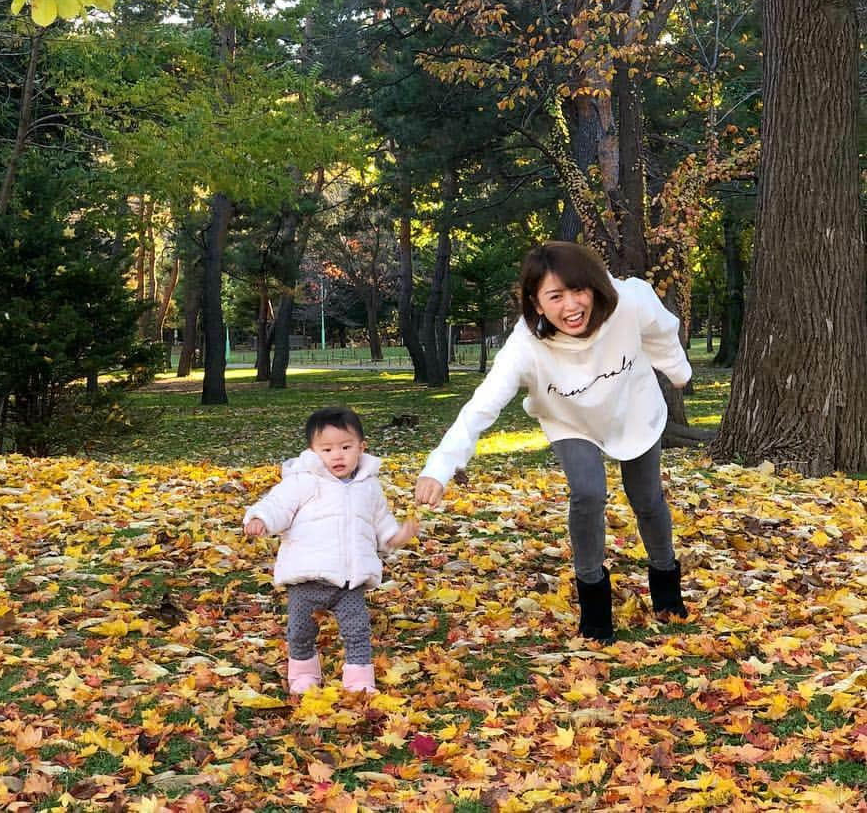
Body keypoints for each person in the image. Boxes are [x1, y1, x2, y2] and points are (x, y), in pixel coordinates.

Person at [414, 241, 691, 643]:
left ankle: (666, 588)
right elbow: (482, 406)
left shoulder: (630, 301)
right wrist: (439, 466)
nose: (572, 305)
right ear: (537, 304)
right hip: (568, 419)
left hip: (632, 407)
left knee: (647, 498)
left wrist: (677, 370)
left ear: (595, 287)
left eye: (579, 291)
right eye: (555, 296)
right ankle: (595, 607)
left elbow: (663, 331)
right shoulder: (525, 346)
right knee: (588, 492)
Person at [244, 406, 418, 694]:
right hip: (307, 578)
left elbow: (381, 525)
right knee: (301, 631)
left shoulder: (369, 487)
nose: (337, 455)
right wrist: (261, 519)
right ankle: (303, 674)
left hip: (350, 581)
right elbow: (277, 505)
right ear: (313, 452)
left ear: (361, 447)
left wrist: (398, 536)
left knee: (358, 631)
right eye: (327, 449)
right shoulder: (303, 481)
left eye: (346, 447)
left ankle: (360, 680)